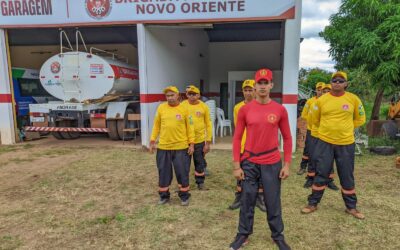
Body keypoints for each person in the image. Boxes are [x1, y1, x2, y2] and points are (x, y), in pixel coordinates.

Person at [230, 69, 292, 250]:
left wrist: (287, 164)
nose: (263, 86)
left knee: (272, 200)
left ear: (271, 85)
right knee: (247, 199)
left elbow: (287, 138)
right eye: (260, 83)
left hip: (272, 162)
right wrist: (236, 165)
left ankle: (277, 236)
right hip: (249, 162)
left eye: (266, 83)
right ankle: (243, 234)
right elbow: (236, 138)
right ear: (255, 86)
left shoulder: (279, 109)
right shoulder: (244, 109)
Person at [301, 71, 366, 220]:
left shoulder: (353, 99)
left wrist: (346, 128)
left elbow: (360, 118)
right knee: (321, 173)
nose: (337, 82)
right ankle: (312, 203)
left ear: (346, 84)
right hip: (325, 143)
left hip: (346, 143)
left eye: (341, 80)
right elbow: (313, 120)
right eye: (334, 80)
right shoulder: (321, 100)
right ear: (330, 83)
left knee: (346, 175)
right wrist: (325, 132)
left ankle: (351, 207)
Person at [150, 86, 195, 206]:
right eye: (167, 96)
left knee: (182, 172)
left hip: (181, 147)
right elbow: (156, 126)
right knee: (163, 172)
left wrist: (191, 144)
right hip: (163, 147)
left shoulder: (185, 109)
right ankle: (164, 196)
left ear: (178, 95)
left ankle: (184, 196)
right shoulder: (161, 108)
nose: (169, 98)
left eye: (172, 95)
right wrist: (153, 140)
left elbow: (190, 127)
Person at [229, 79, 266, 212]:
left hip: (259, 147)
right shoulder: (238, 108)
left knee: (260, 174)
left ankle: (259, 198)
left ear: (255, 91)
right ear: (242, 92)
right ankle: (239, 197)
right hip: (244, 146)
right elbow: (238, 128)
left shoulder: (262, 106)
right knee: (241, 174)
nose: (248, 93)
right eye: (246, 90)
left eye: (251, 90)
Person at [303, 83, 339, 191]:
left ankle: (329, 180)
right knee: (313, 156)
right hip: (314, 133)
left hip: (328, 134)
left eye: (328, 91)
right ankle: (310, 178)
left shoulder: (334, 103)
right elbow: (309, 117)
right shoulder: (314, 103)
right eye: (324, 91)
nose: (326, 93)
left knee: (329, 157)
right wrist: (313, 127)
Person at [181, 86, 212, 190]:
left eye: (194, 94)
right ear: (186, 95)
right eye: (190, 94)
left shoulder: (204, 107)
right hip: (185, 141)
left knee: (199, 162)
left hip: (199, 140)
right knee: (184, 164)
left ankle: (200, 183)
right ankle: (183, 185)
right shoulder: (182, 105)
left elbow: (208, 124)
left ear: (199, 95)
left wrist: (207, 142)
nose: (192, 96)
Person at [297, 82, 325, 175]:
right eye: (318, 90)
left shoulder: (328, 101)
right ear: (315, 90)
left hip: (324, 131)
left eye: (322, 90)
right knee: (308, 149)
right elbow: (304, 115)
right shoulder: (310, 101)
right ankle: (303, 167)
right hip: (311, 130)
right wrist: (313, 122)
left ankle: (319, 169)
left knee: (322, 151)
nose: (320, 92)